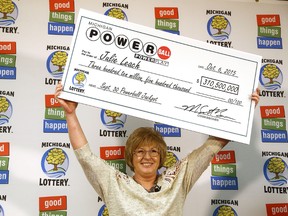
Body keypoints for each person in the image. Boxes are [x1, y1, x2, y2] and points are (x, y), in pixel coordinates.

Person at [54, 84, 260, 216]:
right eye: (139, 151)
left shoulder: (178, 179)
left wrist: (242, 110)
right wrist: (70, 114)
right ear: (131, 157)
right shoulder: (114, 183)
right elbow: (85, 156)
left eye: (153, 151)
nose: (147, 157)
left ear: (161, 156)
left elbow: (211, 146)